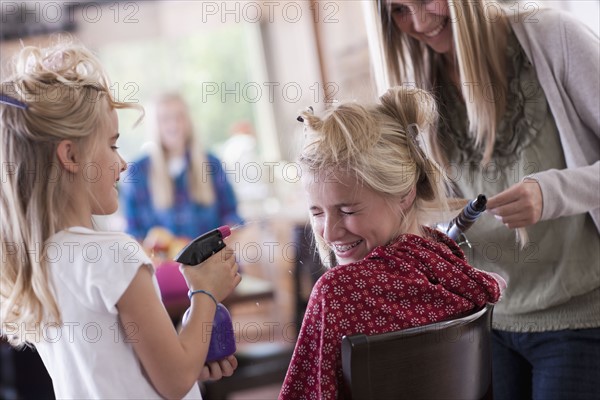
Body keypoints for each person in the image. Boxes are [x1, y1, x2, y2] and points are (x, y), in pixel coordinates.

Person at [375, 1, 600, 398]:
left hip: (578, 316)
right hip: (482, 323)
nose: (421, 22)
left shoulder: (554, 37)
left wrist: (553, 193)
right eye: (398, 10)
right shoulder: (416, 86)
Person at [0, 41, 241, 399]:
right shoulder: (115, 254)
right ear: (70, 155)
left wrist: (189, 349)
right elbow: (175, 381)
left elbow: (125, 366)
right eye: (112, 145)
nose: (123, 163)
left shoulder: (36, 261)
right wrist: (205, 294)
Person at [280, 87, 504, 399]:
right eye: (316, 212)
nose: (328, 234)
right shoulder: (448, 263)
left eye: (348, 210)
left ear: (405, 193)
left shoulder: (339, 292)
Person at [119, 93, 243, 241]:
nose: (174, 125)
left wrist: (230, 233)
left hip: (212, 260)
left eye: (179, 117)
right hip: (161, 263)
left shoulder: (212, 165)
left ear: (189, 121)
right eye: (165, 119)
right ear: (154, 126)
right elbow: (132, 231)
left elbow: (231, 215)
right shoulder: (136, 172)